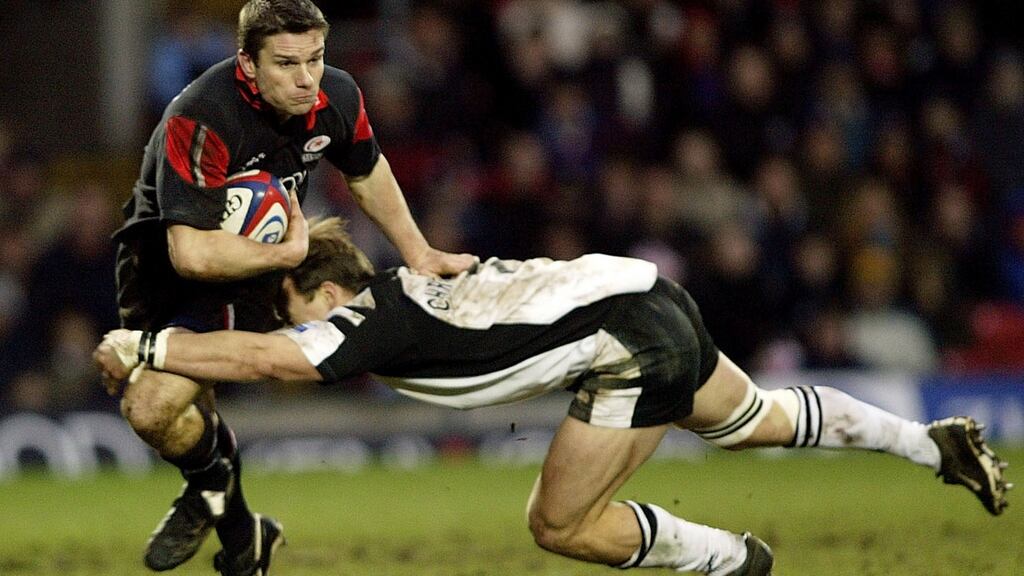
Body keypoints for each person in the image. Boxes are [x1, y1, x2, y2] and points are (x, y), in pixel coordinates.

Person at [97, 217, 1011, 576]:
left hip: (625, 341)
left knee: (558, 523)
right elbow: (275, 351)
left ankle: (733, 564)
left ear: (327, 291)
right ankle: (927, 443)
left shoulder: (367, 318)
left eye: (295, 309)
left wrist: (149, 345)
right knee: (753, 422)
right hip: (646, 294)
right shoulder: (407, 290)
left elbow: (267, 362)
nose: (295, 329)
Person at [111, 1, 474, 574]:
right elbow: (192, 253)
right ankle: (237, 527)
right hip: (161, 265)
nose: (307, 79)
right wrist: (286, 253)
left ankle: (210, 494)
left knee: (151, 406)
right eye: (286, 63)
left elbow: (366, 169)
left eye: (315, 58)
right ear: (247, 65)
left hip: (243, 276)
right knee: (179, 417)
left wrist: (419, 252)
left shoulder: (336, 95)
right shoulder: (202, 118)